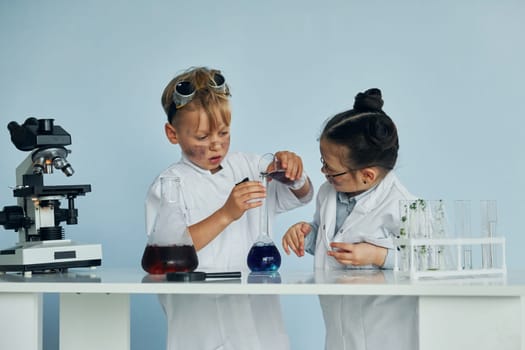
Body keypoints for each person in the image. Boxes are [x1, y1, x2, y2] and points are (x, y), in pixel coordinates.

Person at [145, 66, 313, 350]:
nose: (216, 145)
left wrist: (295, 175)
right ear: (172, 134)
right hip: (199, 323)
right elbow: (167, 253)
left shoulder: (249, 165)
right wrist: (226, 214)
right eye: (202, 137)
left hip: (260, 323)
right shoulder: (168, 185)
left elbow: (302, 196)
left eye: (224, 133)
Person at [282, 88, 418, 350]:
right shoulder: (328, 193)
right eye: (323, 163)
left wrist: (377, 256)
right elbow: (327, 240)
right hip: (339, 330)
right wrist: (306, 234)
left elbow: (430, 261)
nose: (323, 173)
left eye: (331, 170)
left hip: (388, 334)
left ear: (367, 175)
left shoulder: (402, 205)